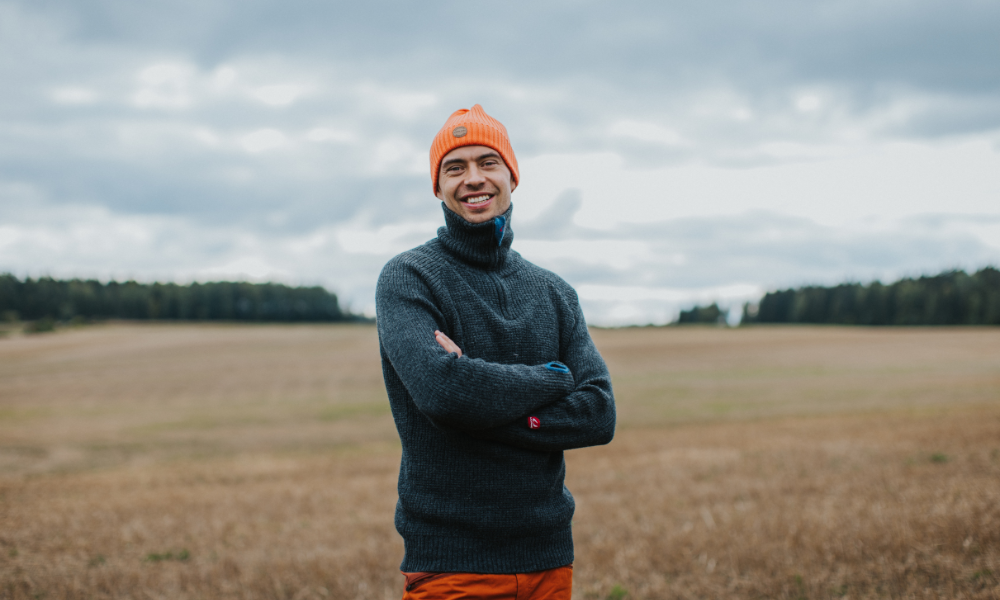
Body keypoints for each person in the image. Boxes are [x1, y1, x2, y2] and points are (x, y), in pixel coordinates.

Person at [375, 104, 616, 600]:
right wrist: (554, 378)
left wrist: (477, 401)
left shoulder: (554, 292)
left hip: (548, 559)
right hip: (452, 566)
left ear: (512, 176)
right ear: (437, 186)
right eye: (454, 168)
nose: (473, 179)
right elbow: (444, 395)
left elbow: (598, 414)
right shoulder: (408, 278)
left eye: (488, 162)